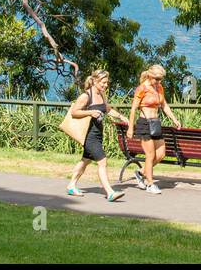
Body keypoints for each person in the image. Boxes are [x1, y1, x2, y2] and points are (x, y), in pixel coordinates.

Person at [67, 70, 128, 202]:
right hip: (89, 135)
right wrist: (90, 112)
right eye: (103, 83)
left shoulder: (101, 94)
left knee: (86, 160)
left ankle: (71, 185)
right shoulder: (85, 96)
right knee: (102, 161)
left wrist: (121, 116)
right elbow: (74, 112)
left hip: (98, 133)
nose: (106, 85)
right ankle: (110, 192)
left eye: (107, 83)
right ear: (95, 81)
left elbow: (108, 109)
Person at [127, 64, 181, 194]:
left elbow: (164, 105)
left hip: (155, 123)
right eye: (157, 79)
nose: (159, 81)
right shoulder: (142, 88)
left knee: (161, 153)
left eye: (161, 79)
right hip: (144, 124)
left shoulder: (159, 87)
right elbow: (133, 108)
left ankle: (140, 173)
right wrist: (130, 127)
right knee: (150, 155)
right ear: (150, 76)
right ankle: (150, 184)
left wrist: (174, 119)